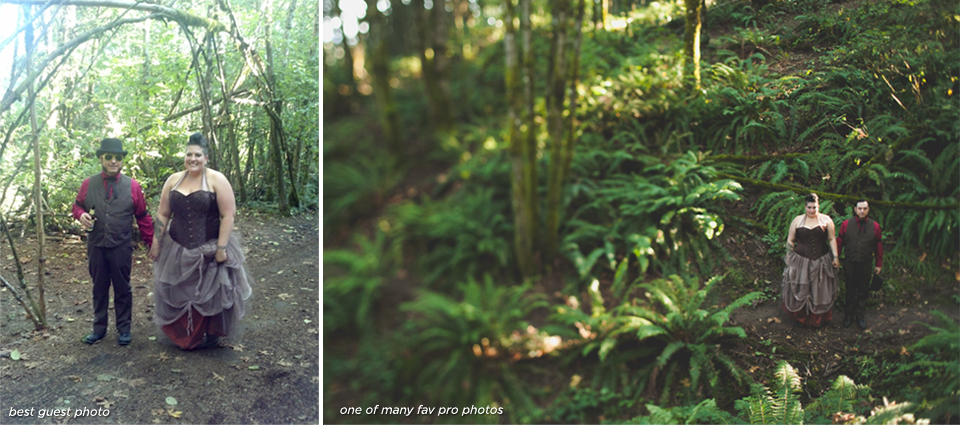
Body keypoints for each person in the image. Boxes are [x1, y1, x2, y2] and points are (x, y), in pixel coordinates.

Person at [148, 133, 252, 350]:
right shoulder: (173, 180)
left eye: (197, 155)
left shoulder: (217, 179)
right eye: (188, 154)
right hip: (176, 246)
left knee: (209, 289)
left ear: (206, 158)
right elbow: (163, 214)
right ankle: (184, 334)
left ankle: (210, 332)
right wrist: (156, 242)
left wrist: (221, 247)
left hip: (209, 245)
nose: (192, 159)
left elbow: (228, 215)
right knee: (180, 289)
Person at [73, 138, 154, 345]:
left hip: (121, 245)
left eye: (117, 157)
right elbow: (77, 206)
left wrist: (151, 242)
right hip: (96, 245)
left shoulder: (133, 186)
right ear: (101, 158)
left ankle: (124, 329)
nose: (113, 161)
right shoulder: (88, 184)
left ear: (122, 161)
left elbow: (143, 216)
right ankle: (99, 329)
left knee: (122, 287)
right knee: (99, 287)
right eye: (109, 157)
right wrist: (80, 214)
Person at [781, 193, 839, 327]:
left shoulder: (826, 220)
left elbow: (831, 239)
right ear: (805, 207)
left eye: (814, 207)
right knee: (802, 288)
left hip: (821, 260)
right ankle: (801, 319)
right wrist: (789, 256)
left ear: (818, 206)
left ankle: (817, 320)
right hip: (802, 260)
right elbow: (790, 240)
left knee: (819, 288)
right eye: (809, 207)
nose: (812, 211)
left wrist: (835, 256)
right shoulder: (797, 220)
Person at [837, 199, 883, 330]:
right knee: (850, 289)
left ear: (868, 210)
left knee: (863, 290)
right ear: (855, 209)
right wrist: (836, 258)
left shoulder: (875, 227)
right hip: (849, 262)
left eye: (865, 208)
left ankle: (860, 316)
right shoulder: (846, 224)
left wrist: (878, 264)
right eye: (860, 208)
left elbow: (878, 247)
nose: (862, 211)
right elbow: (839, 242)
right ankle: (848, 316)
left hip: (866, 263)